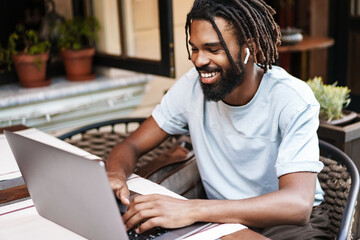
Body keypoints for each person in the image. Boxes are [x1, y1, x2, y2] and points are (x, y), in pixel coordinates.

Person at [107, 0, 332, 239]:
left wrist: (192, 210)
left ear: (250, 48)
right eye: (195, 48)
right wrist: (115, 175)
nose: (199, 61)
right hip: (223, 221)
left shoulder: (291, 98)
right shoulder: (191, 88)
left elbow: (297, 204)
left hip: (286, 226)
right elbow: (131, 145)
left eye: (213, 50)